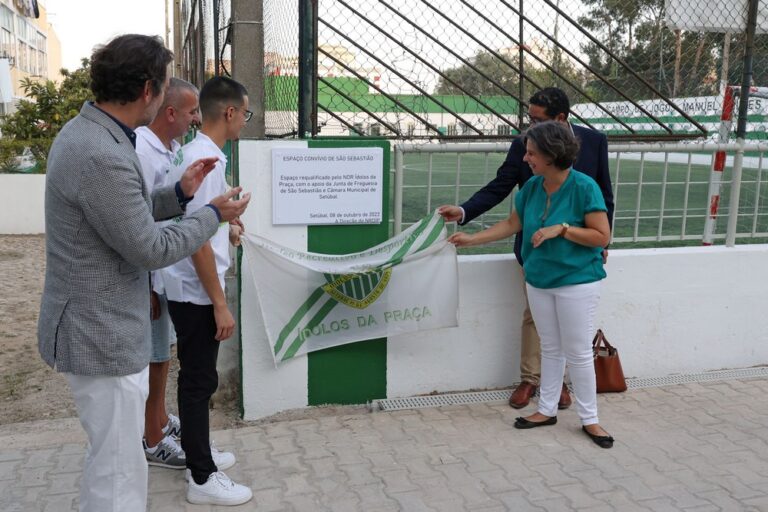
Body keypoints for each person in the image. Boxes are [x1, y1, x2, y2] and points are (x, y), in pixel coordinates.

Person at [37, 34, 251, 512]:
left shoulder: (96, 136)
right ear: (149, 90)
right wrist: (211, 214)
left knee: (113, 462)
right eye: (167, 86)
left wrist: (177, 195)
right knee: (117, 473)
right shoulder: (102, 154)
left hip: (100, 328)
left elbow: (122, 214)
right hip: (101, 333)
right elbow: (150, 246)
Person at [438, 87, 614, 410]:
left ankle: (573, 400)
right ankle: (534, 382)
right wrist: (465, 216)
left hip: (578, 261)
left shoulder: (593, 147)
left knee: (571, 336)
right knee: (538, 320)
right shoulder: (527, 158)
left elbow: (605, 198)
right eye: (528, 118)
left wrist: (601, 240)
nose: (528, 128)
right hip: (536, 257)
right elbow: (503, 192)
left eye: (536, 119)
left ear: (560, 119)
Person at [163, 76, 253, 506]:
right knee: (199, 380)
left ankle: (200, 450)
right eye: (246, 113)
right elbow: (195, 240)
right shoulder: (208, 161)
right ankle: (202, 476)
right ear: (230, 112)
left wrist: (227, 226)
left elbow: (202, 223)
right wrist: (220, 305)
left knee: (197, 378)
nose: (245, 122)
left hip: (189, 286)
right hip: (196, 291)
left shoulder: (200, 152)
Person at [136, 78, 200, 469]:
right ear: (171, 112)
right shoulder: (142, 150)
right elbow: (136, 219)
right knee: (156, 357)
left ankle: (159, 419)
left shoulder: (171, 149)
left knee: (164, 354)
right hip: (150, 271)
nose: (195, 118)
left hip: (166, 268)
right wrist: (144, 282)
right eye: (192, 111)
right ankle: (152, 438)